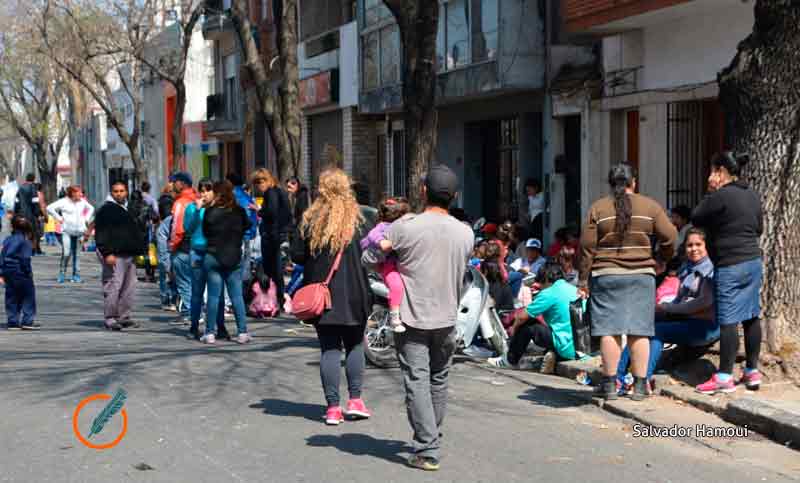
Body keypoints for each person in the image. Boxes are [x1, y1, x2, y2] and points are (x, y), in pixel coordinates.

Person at [377, 165, 473, 471]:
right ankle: (431, 434)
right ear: (454, 196)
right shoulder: (466, 232)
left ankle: (428, 447)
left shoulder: (406, 228)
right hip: (447, 318)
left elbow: (371, 256)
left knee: (418, 380)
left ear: (422, 192)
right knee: (438, 378)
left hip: (412, 317)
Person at [579, 164, 677, 401]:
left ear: (611, 184)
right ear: (634, 182)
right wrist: (662, 259)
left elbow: (587, 247)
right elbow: (671, 235)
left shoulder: (598, 208)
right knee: (639, 331)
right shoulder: (650, 206)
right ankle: (640, 386)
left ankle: (610, 385)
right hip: (642, 275)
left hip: (606, 275)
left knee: (609, 331)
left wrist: (583, 278)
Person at [292, 168, 373, 425]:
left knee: (329, 349)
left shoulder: (311, 220)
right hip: (357, 293)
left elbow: (296, 255)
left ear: (321, 190)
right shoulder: (361, 219)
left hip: (322, 297)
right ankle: (356, 400)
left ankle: (332, 408)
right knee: (355, 345)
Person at [691, 152, 763, 395]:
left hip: (730, 265)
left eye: (712, 171)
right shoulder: (751, 195)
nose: (710, 177)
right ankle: (752, 371)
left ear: (720, 172)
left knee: (728, 320)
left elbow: (697, 217)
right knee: (752, 315)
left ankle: (724, 377)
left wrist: (711, 192)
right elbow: (759, 227)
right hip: (752, 261)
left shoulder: (720, 195)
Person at [615, 228, 719, 395]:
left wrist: (667, 308)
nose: (694, 249)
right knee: (641, 326)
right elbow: (680, 299)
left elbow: (703, 303)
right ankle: (618, 376)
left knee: (656, 332)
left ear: (706, 246)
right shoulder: (687, 267)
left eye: (698, 244)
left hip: (705, 327)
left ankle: (644, 380)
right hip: (686, 320)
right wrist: (660, 311)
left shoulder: (710, 270)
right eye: (689, 245)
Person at [489, 262, 579, 372]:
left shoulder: (549, 292)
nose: (540, 286)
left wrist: (514, 328)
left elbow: (522, 317)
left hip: (565, 346)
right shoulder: (573, 289)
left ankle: (510, 360)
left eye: (541, 283)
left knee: (528, 325)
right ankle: (553, 355)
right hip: (578, 347)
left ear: (546, 278)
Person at [200, 181, 252, 344]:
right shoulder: (239, 211)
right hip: (233, 258)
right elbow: (248, 226)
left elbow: (206, 232)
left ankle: (209, 333)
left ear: (217, 194)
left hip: (213, 256)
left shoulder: (210, 212)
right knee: (236, 295)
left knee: (214, 296)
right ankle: (242, 332)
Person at [94, 182, 146, 331]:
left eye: (122, 191)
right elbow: (101, 233)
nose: (119, 194)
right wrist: (107, 253)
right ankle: (110, 318)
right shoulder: (106, 210)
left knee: (128, 287)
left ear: (126, 192)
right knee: (113, 286)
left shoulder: (128, 207)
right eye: (116, 191)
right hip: (114, 254)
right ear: (111, 192)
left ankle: (124, 317)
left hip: (129, 253)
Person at [184, 178, 230, 341]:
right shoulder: (191, 208)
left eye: (208, 190)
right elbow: (188, 228)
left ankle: (220, 326)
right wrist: (197, 211)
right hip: (197, 252)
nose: (204, 194)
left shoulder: (219, 208)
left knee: (216, 293)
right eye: (201, 190)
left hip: (214, 254)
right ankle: (194, 326)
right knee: (197, 291)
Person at [360, 197, 412, 332]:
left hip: (397, 264)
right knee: (396, 286)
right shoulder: (385, 226)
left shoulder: (400, 226)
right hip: (389, 265)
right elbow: (373, 236)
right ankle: (395, 317)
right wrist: (381, 242)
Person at [252, 169, 292, 303]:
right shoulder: (278, 191)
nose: (259, 185)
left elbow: (271, 212)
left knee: (273, 269)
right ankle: (276, 298)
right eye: (257, 182)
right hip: (278, 234)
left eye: (261, 181)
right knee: (276, 269)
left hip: (272, 236)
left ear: (267, 180)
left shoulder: (271, 193)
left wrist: (259, 211)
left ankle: (275, 299)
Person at [46, 186, 95, 283]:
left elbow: (91, 208)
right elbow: (49, 208)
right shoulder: (63, 202)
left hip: (79, 231)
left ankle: (76, 275)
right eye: (79, 193)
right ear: (72, 193)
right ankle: (62, 273)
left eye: (81, 193)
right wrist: (59, 218)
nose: (81, 195)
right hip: (67, 231)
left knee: (77, 254)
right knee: (67, 253)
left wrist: (86, 218)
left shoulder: (82, 202)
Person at [168, 172, 197, 324]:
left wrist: (172, 245)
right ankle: (196, 311)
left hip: (182, 247)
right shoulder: (197, 199)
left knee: (184, 282)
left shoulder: (181, 202)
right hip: (197, 247)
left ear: (182, 183)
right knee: (194, 282)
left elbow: (177, 228)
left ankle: (189, 312)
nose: (172, 185)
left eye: (175, 182)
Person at [1, 216, 38, 330]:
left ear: (12, 226)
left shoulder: (7, 240)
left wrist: (1, 272)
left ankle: (13, 321)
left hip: (8, 271)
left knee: (11, 296)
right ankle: (27, 320)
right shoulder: (25, 241)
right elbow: (25, 259)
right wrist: (28, 272)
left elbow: (1, 256)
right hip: (21, 271)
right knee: (28, 296)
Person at [285, 177, 312, 297]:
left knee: (299, 265)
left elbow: (302, 216)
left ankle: (291, 292)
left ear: (296, 185)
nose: (288, 189)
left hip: (301, 233)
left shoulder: (302, 197)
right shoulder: (297, 196)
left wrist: (296, 230)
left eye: (290, 187)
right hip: (298, 231)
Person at [129, 190, 158, 282]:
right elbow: (155, 217)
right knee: (146, 254)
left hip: (131, 234)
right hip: (144, 234)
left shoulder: (128, 206)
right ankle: (148, 275)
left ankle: (132, 275)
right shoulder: (145, 206)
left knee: (131, 254)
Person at [14, 174, 43, 255]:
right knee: (33, 233)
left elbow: (16, 201)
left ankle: (21, 248)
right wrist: (37, 214)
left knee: (22, 232)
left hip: (21, 213)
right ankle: (31, 250)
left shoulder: (20, 188)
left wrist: (16, 213)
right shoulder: (33, 188)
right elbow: (35, 202)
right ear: (33, 179)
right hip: (31, 214)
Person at [156, 211, 176, 311]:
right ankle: (166, 299)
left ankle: (173, 300)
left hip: (176, 251)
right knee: (166, 273)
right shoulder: (170, 220)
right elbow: (161, 236)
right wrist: (164, 258)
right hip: (168, 250)